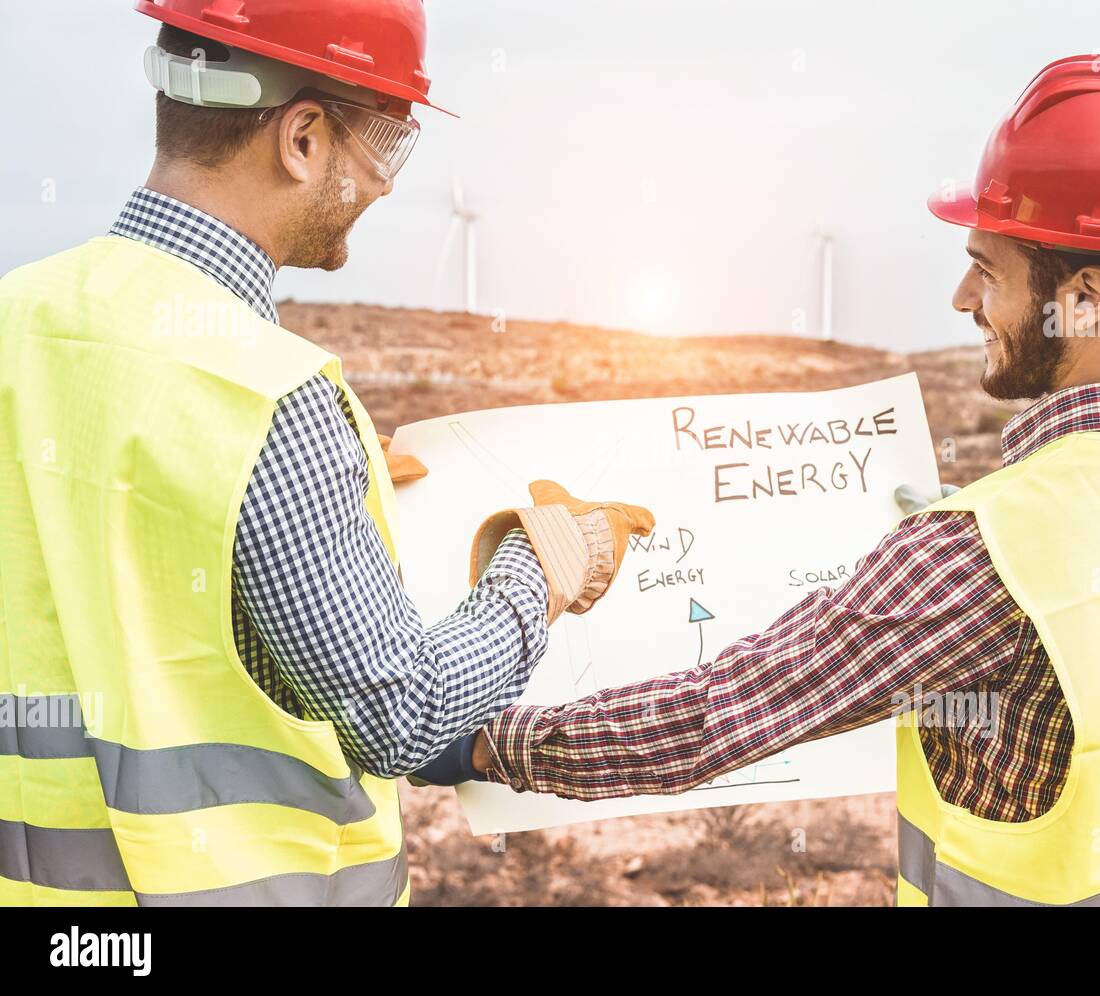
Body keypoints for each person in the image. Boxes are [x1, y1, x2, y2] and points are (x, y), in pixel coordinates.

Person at [425, 54, 1100, 907]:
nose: (962, 299)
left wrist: (485, 745)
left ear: (1088, 297)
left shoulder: (988, 556)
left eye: (988, 269)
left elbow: (716, 716)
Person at [0, 0, 651, 906]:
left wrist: (317, 491)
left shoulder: (18, 316)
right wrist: (539, 569)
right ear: (301, 137)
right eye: (385, 140)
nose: (385, 183)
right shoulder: (266, 396)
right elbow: (399, 714)